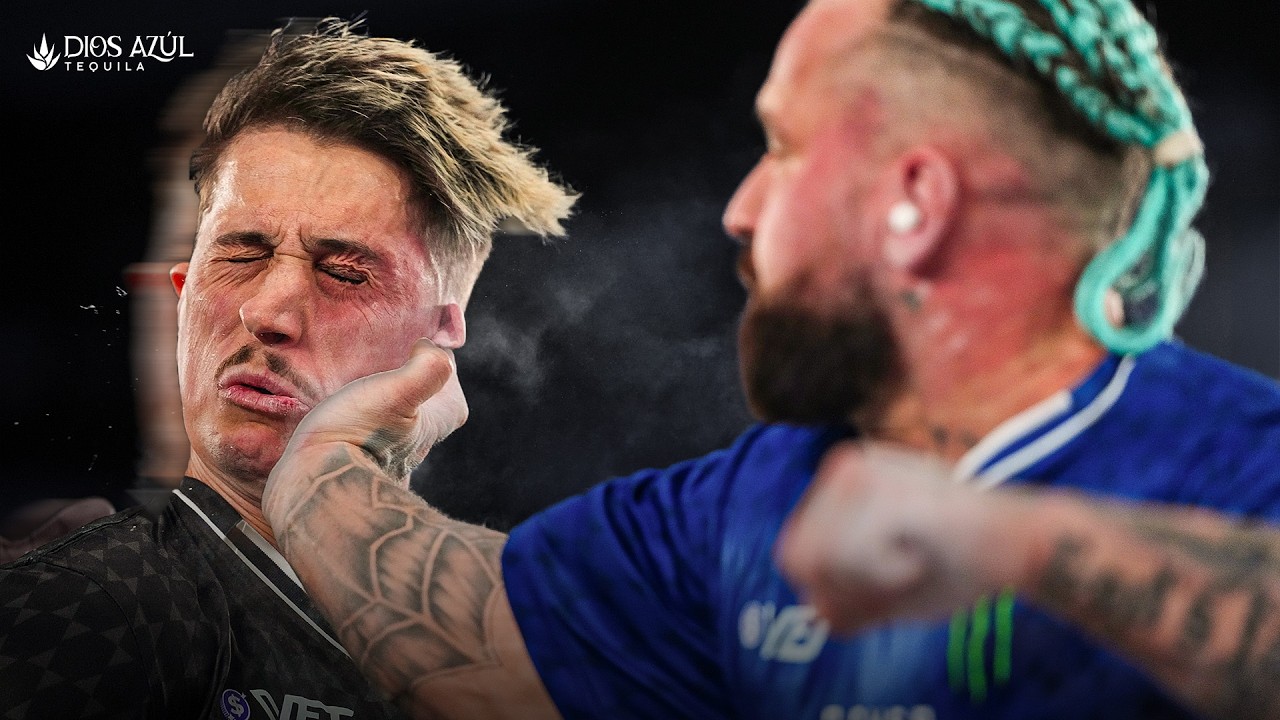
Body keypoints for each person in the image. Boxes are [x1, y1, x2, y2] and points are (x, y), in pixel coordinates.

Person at [259, 0, 1280, 719]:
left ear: (913, 203)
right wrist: (319, 463)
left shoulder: (1243, 465)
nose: (740, 210)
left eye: (783, 148)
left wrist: (1006, 546)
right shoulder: (748, 507)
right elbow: (472, 629)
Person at [0, 17, 575, 719]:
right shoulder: (101, 605)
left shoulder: (516, 650)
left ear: (439, 337)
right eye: (242, 255)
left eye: (344, 272)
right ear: (184, 292)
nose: (267, 312)